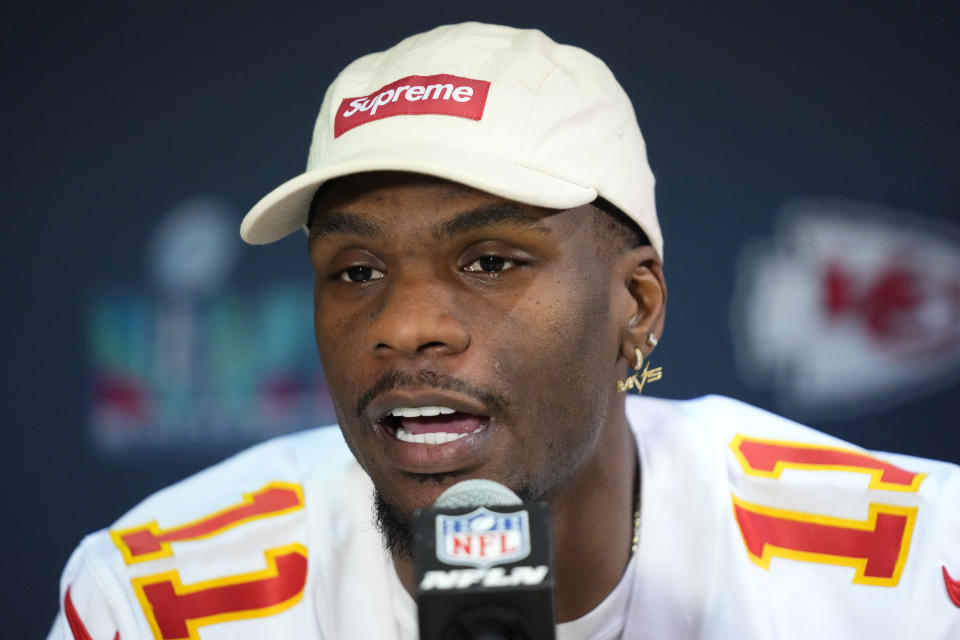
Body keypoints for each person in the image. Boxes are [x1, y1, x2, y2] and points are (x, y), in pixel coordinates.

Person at [48, 22, 960, 640]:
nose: (404, 327)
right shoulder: (150, 603)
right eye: (356, 272)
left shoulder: (924, 575)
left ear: (635, 305)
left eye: (491, 261)